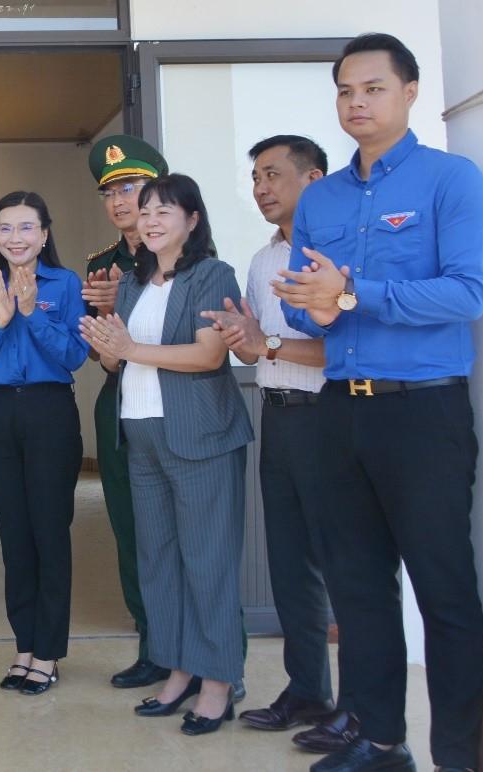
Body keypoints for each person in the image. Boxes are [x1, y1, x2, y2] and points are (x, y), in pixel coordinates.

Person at [273, 33, 483, 772]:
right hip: (342, 410)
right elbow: (304, 307)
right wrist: (315, 307)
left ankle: (456, 755)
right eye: (345, 91)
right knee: (359, 587)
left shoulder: (450, 180)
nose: (356, 102)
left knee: (442, 587)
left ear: (410, 92)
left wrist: (352, 294)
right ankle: (379, 741)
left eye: (372, 88)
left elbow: (467, 292)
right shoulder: (323, 198)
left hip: (423, 412)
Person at [80, 173, 252, 736]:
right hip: (141, 432)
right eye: (146, 210)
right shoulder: (134, 281)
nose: (150, 220)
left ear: (192, 220)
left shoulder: (212, 274)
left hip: (198, 435)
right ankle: (179, 671)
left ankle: (218, 682)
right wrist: (107, 347)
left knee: (208, 562)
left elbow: (208, 357)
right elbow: (118, 362)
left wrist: (130, 348)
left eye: (164, 212)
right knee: (158, 561)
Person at [201, 136, 352, 742]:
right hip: (278, 415)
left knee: (347, 566)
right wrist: (243, 335)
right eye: (255, 177)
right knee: (290, 564)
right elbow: (259, 346)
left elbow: (343, 350)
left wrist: (265, 343)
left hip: (330, 416)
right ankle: (308, 691)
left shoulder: (336, 254)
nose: (261, 187)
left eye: (272, 174)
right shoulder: (264, 261)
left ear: (313, 179)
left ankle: (358, 706)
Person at [0, 191, 88, 696]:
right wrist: (2, 319)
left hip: (50, 411)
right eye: (6, 228)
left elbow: (74, 355)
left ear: (44, 234)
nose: (16, 237)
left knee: (49, 532)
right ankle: (24, 647)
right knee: (14, 537)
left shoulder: (66, 284)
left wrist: (32, 313)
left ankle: (48, 653)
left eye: (27, 227)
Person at [79, 134, 171, 690]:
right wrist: (106, 336)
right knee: (131, 530)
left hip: (177, 404)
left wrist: (126, 306)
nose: (119, 201)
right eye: (110, 192)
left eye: (130, 187)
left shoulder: (185, 256)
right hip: (118, 402)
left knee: (186, 535)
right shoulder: (101, 264)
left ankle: (205, 652)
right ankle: (152, 642)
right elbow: (98, 351)